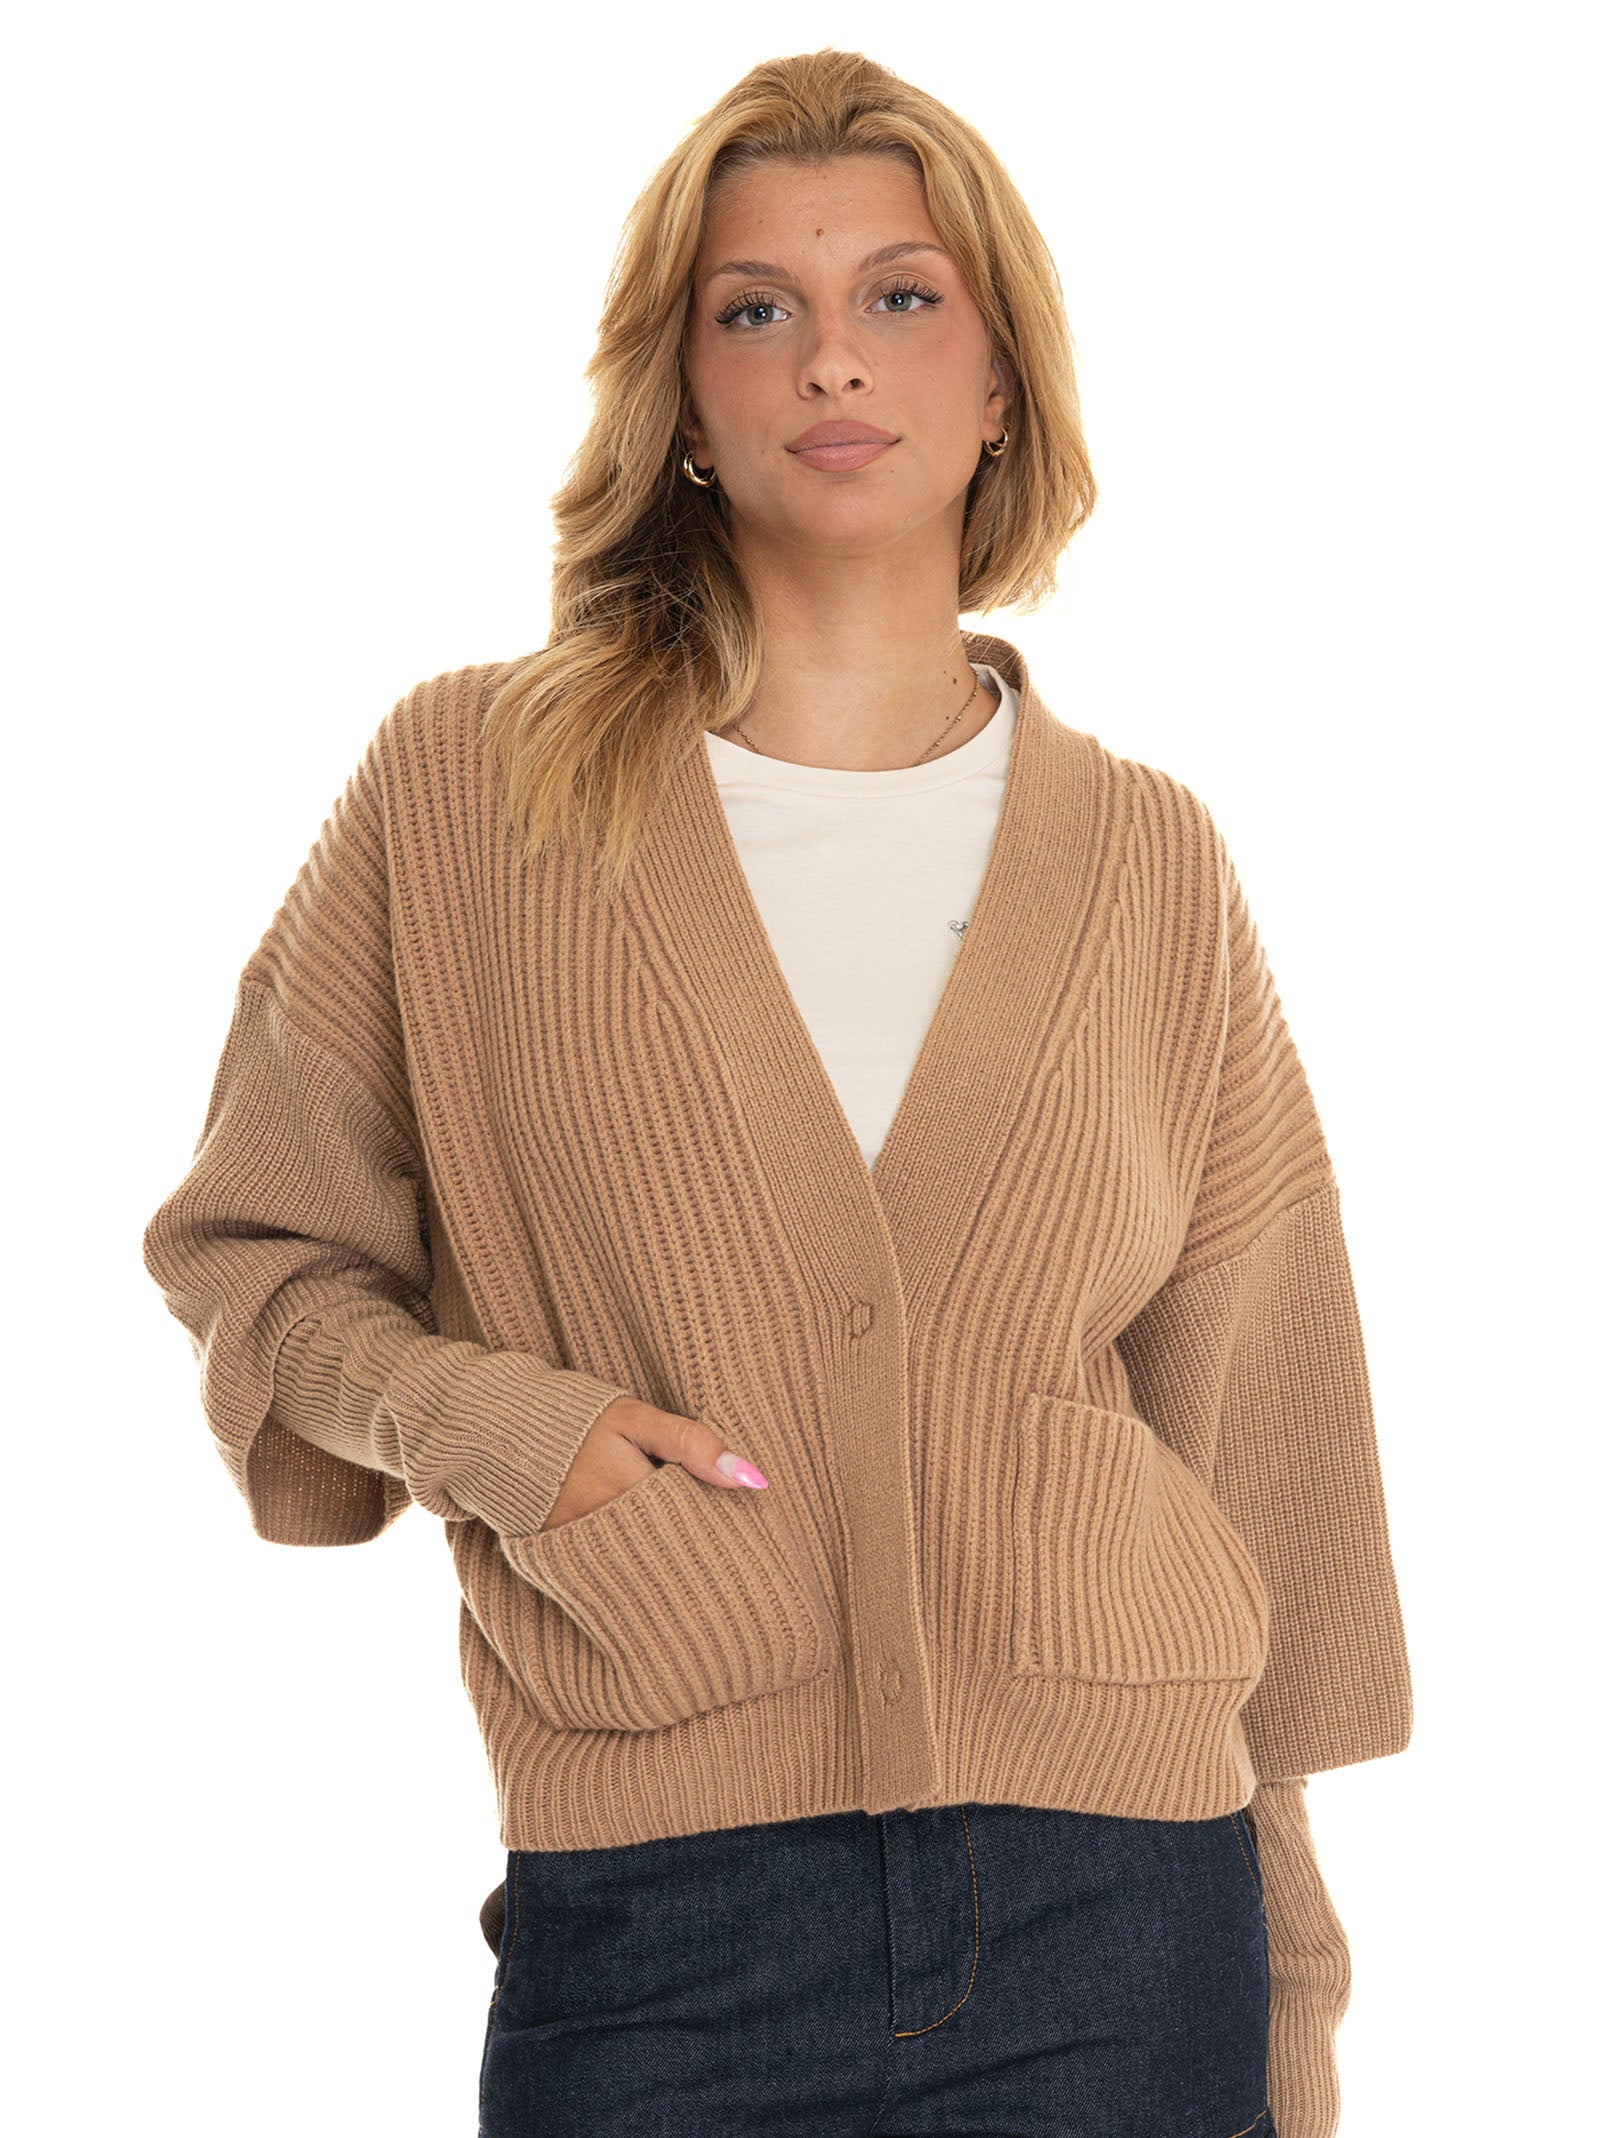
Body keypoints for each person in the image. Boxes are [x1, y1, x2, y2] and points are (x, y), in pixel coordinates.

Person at [141, 47, 1412, 2138]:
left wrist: (1291, 1997)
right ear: (684, 396)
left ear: (997, 381)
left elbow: (1253, 1435)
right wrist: (499, 1432)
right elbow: (253, 1257)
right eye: (757, 307)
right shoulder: (466, 794)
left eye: (900, 295)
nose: (832, 355)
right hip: (659, 1924)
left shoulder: (1146, 859)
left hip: (1126, 1909)